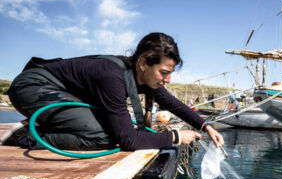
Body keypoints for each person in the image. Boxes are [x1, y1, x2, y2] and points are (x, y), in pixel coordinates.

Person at [3, 32, 224, 151]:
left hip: (58, 91)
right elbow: (127, 140)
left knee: (108, 129)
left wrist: (206, 127)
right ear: (144, 62)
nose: (168, 79)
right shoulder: (112, 76)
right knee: (104, 136)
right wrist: (175, 136)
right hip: (32, 87)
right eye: (164, 72)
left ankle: (48, 123)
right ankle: (27, 137)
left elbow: (174, 104)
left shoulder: (143, 76)